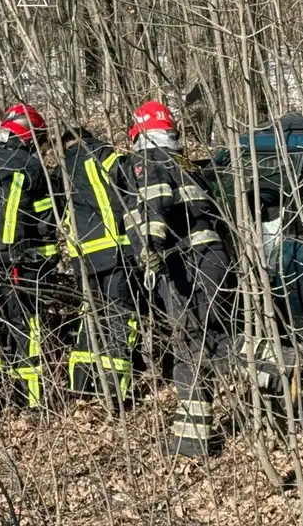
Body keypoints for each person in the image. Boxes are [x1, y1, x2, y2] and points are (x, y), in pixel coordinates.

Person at [118, 100, 236, 456]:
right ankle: (190, 440)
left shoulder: (149, 161)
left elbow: (155, 204)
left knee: (193, 344)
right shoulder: (183, 162)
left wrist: (149, 249)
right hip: (212, 261)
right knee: (200, 343)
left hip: (187, 266)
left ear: (139, 133)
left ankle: (263, 362)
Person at [0, 103, 49, 410]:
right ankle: (33, 401)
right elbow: (43, 220)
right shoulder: (29, 165)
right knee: (24, 326)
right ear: (29, 136)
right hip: (14, 260)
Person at [59, 127, 139, 408]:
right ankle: (115, 393)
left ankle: (79, 389)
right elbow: (131, 183)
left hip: (84, 258)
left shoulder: (61, 170)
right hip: (115, 252)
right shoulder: (103, 153)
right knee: (120, 318)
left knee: (90, 319)